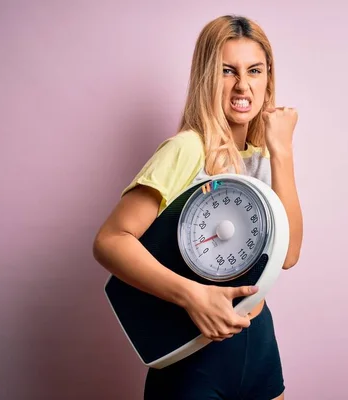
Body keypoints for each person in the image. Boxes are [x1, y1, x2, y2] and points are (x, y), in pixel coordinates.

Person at [93, 14, 303, 400]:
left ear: (267, 78)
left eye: (254, 70)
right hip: (191, 357)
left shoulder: (261, 156)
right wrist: (192, 295)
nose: (243, 85)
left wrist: (282, 152)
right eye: (228, 71)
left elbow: (288, 255)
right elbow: (110, 240)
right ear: (208, 76)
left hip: (258, 347)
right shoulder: (187, 149)